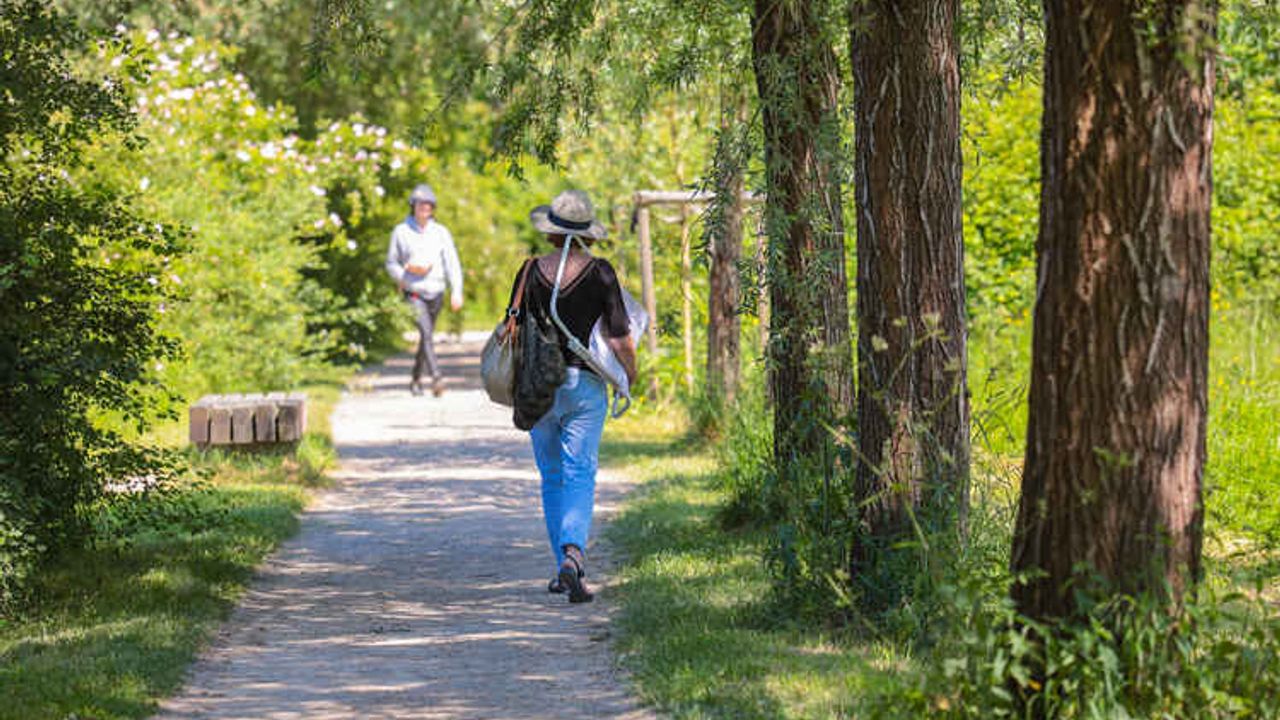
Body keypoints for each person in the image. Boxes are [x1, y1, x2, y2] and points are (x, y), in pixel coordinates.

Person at [508, 189, 637, 604]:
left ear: (551, 232)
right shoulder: (600, 273)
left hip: (537, 387)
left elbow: (513, 329)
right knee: (580, 471)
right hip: (584, 385)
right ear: (586, 234)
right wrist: (631, 374)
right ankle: (573, 556)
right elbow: (619, 337)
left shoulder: (529, 272)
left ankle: (561, 565)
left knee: (552, 475)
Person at [385, 184, 464, 396]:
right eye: (421, 204)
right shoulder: (401, 232)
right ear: (413, 206)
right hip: (414, 291)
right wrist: (405, 275)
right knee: (426, 333)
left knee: (425, 337)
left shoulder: (441, 232)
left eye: (429, 205)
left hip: (436, 290)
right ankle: (437, 377)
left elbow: (452, 263)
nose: (425, 208)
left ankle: (415, 379)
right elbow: (391, 263)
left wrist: (456, 291)